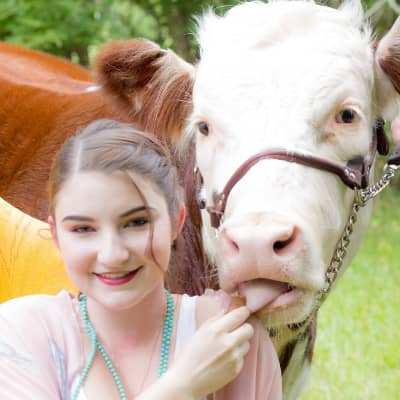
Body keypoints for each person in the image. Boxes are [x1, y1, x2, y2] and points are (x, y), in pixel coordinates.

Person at [0, 119, 281, 400]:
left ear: (176, 220)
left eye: (136, 222)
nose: (112, 254)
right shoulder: (23, 332)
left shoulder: (230, 338)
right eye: (83, 229)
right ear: (56, 235)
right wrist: (183, 385)